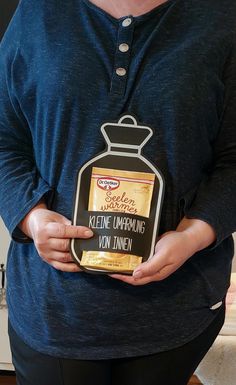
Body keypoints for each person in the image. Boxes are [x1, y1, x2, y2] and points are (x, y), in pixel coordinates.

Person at [0, 0, 236, 384]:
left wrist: (194, 236)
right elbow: (5, 139)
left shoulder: (223, 17)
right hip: (54, 312)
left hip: (177, 312)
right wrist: (31, 217)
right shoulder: (38, 12)